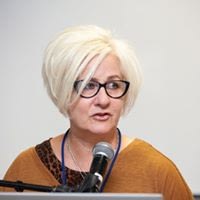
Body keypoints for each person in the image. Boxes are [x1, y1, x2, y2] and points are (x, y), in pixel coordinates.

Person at [0, 25, 193, 199]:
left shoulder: (156, 170)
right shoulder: (25, 168)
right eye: (88, 86)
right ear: (62, 91)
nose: (103, 100)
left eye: (113, 85)